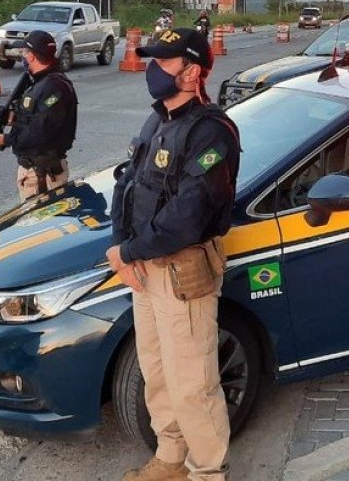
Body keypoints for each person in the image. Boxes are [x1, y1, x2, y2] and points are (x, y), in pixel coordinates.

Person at [108, 28, 240, 481]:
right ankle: (170, 457)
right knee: (157, 372)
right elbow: (128, 184)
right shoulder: (158, 120)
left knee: (193, 383)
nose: (153, 69)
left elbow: (188, 214)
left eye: (164, 62)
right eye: (153, 60)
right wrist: (123, 249)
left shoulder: (211, 131)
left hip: (182, 272)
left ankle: (207, 472)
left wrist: (128, 249)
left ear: (191, 72)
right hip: (144, 267)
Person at [0, 30, 78, 201]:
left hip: (43, 175)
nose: (23, 57)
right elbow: (36, 118)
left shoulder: (54, 86)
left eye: (24, 52)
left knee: (40, 217)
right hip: (37, 170)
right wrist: (13, 118)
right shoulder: (42, 82)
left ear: (32, 56)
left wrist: (7, 140)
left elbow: (42, 131)